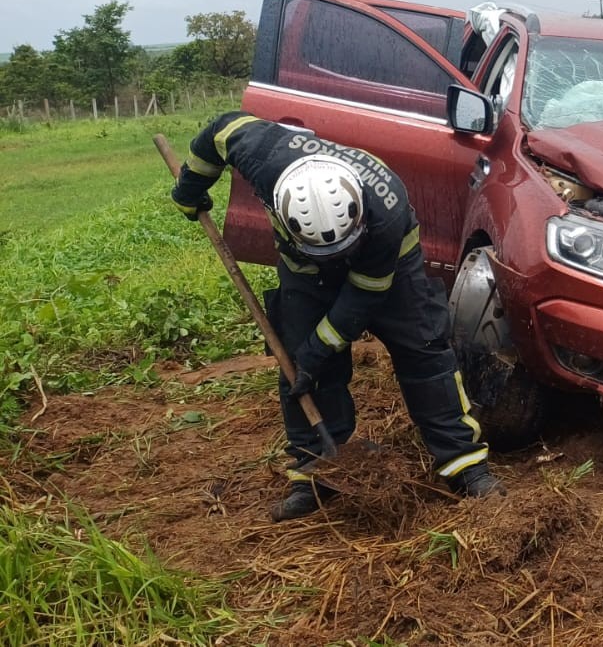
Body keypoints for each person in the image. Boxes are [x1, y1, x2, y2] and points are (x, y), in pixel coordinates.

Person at [170, 112, 503, 520]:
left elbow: (363, 296)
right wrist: (190, 186)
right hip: (305, 274)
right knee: (300, 366)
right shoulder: (262, 154)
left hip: (389, 274)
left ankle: (465, 467)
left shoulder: (386, 211)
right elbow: (218, 129)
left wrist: (319, 347)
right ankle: (316, 472)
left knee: (425, 355)